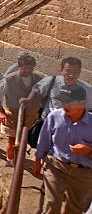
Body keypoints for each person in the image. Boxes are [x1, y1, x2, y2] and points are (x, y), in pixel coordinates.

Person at [35, 85, 92, 214]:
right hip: (57, 167)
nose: (65, 105)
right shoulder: (55, 117)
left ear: (82, 103)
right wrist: (38, 162)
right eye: (62, 101)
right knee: (52, 203)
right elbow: (43, 141)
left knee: (75, 208)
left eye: (69, 102)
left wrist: (88, 150)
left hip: (84, 174)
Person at [0, 54, 43, 165]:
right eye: (25, 68)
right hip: (13, 115)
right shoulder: (9, 79)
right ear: (19, 66)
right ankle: (10, 161)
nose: (27, 71)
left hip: (29, 117)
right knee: (11, 140)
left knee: (24, 140)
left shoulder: (38, 78)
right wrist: (1, 112)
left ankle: (19, 161)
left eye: (30, 68)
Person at [22, 56, 92, 119]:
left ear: (79, 72)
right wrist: (28, 99)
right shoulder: (52, 81)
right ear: (61, 70)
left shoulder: (86, 89)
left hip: (71, 126)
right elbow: (36, 90)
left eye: (75, 72)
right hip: (48, 122)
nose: (71, 75)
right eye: (68, 71)